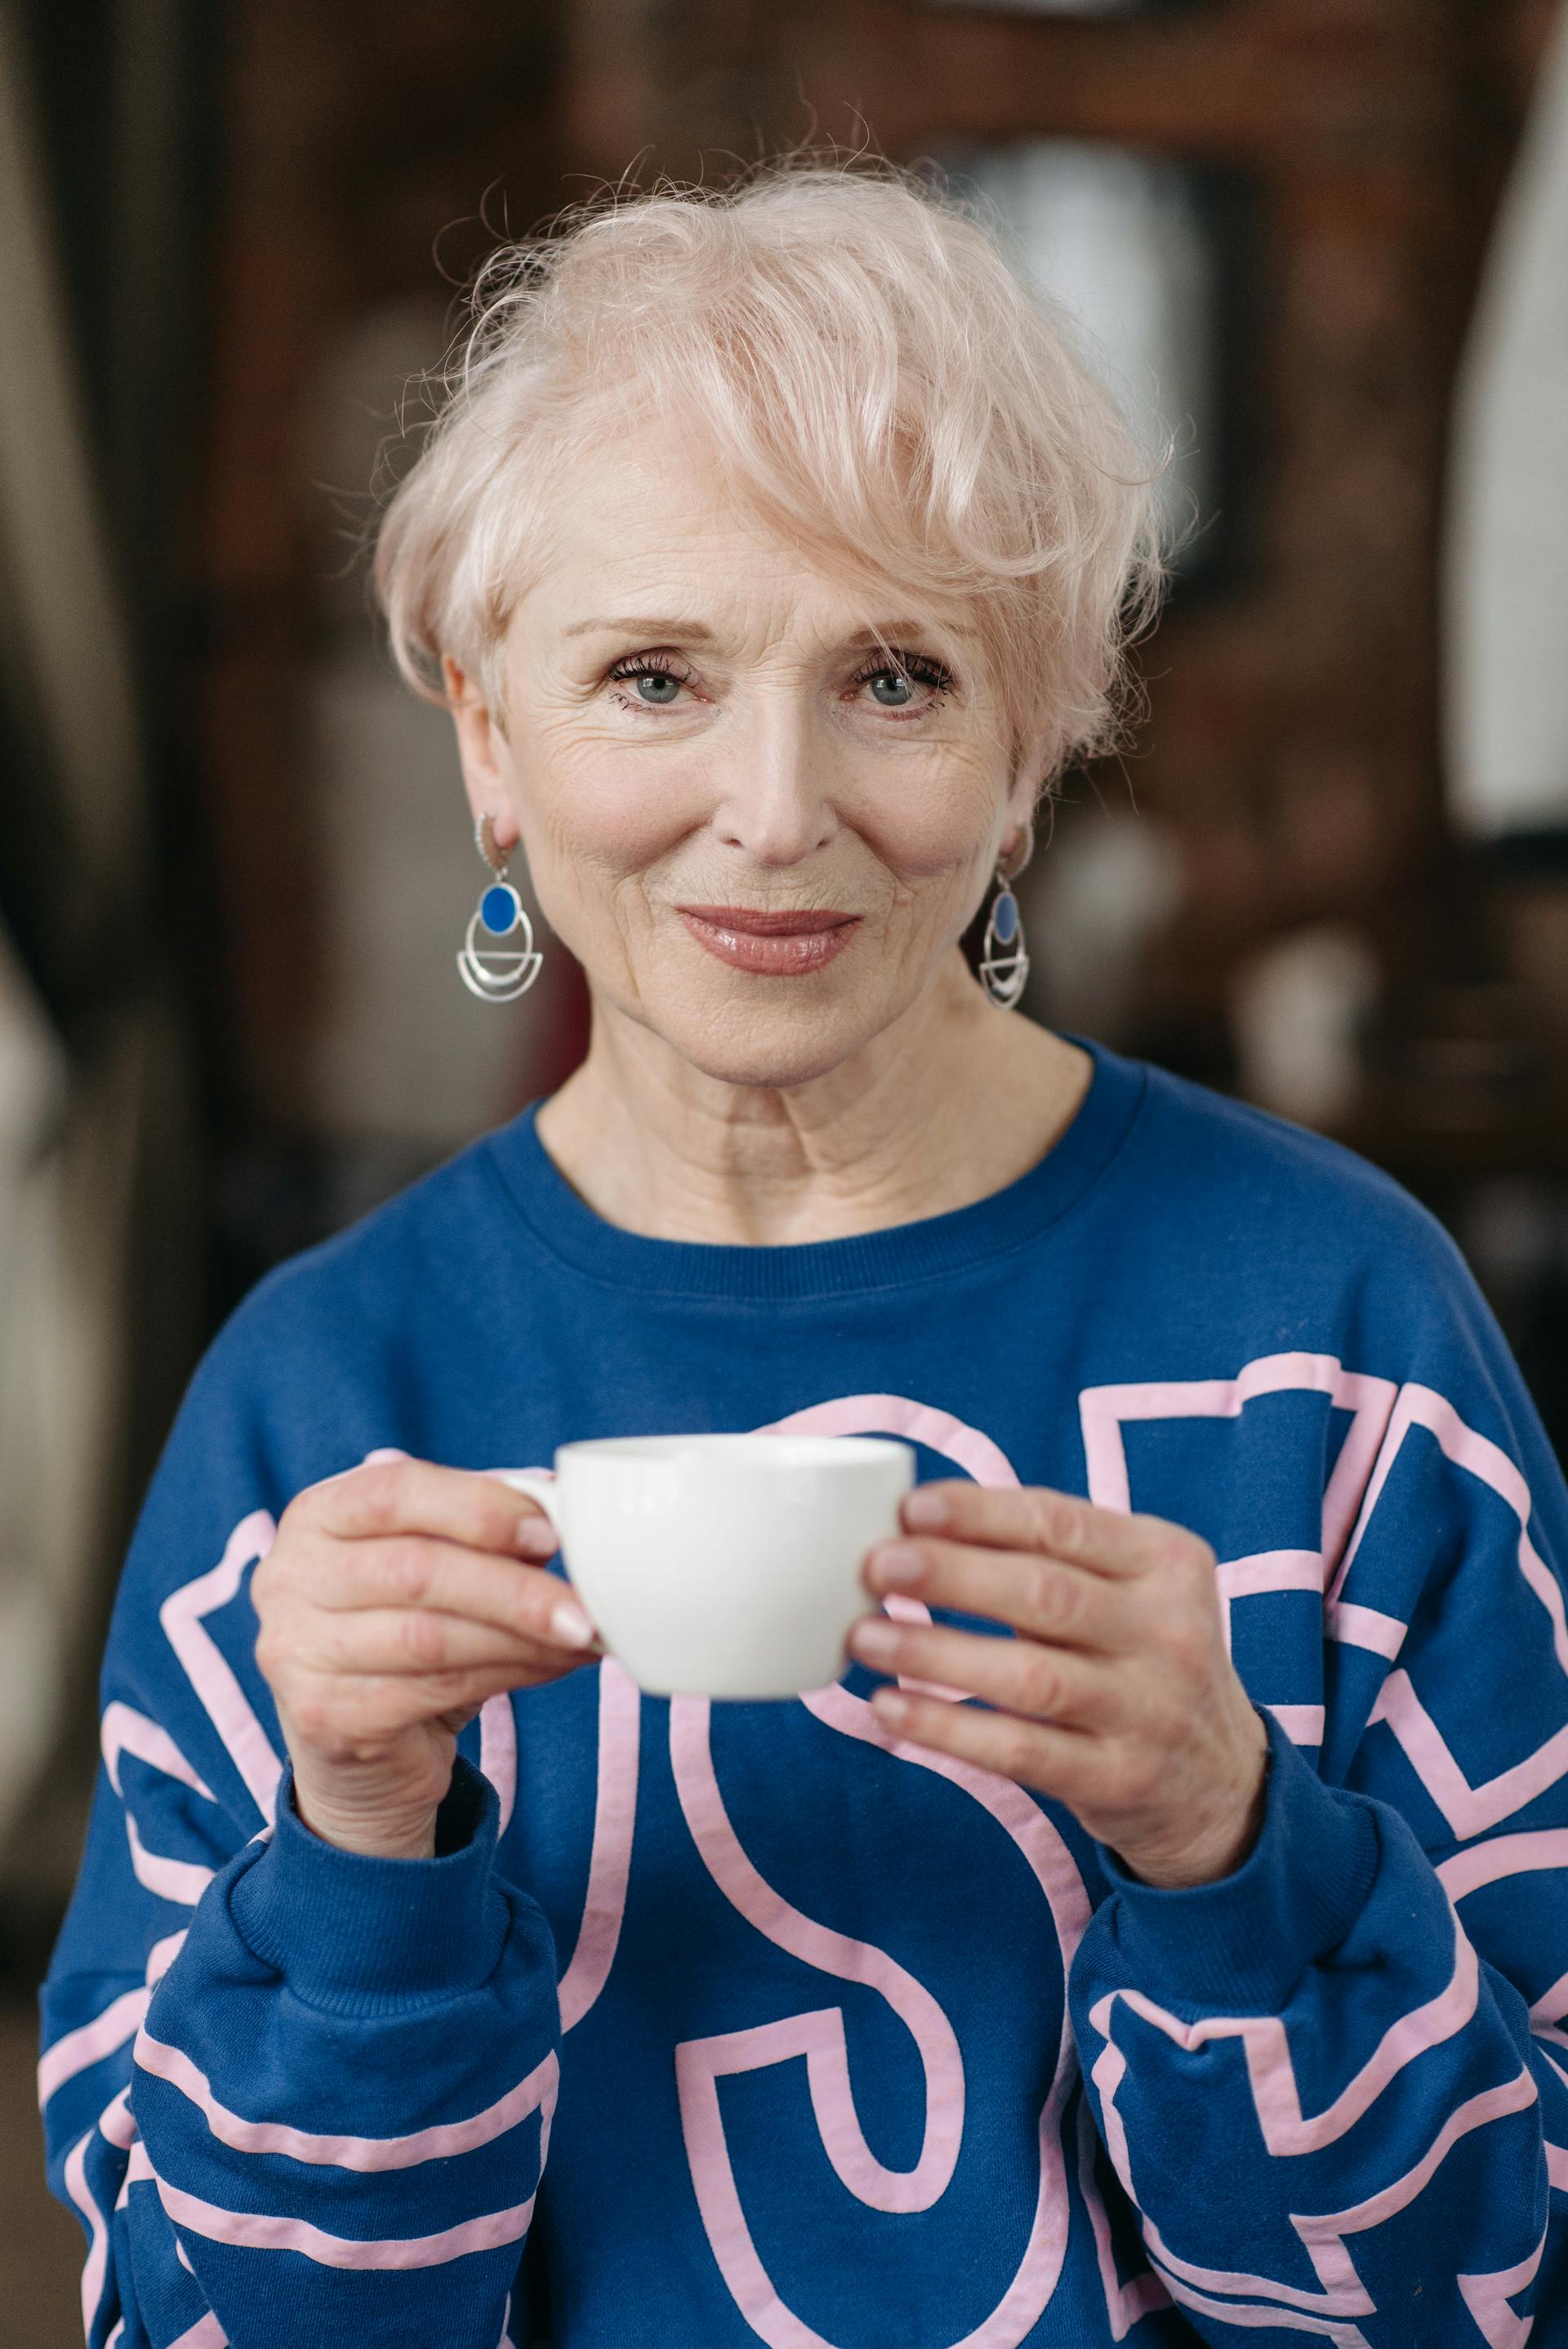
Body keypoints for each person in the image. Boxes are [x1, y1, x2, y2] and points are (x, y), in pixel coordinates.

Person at [39, 157, 1568, 2349]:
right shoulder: (319, 1403)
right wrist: (360, 1845)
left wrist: (1235, 1844)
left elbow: (1506, 2293)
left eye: (898, 677)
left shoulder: (1336, 1338)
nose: (774, 809)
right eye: (654, 675)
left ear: (1028, 755)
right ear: (488, 735)